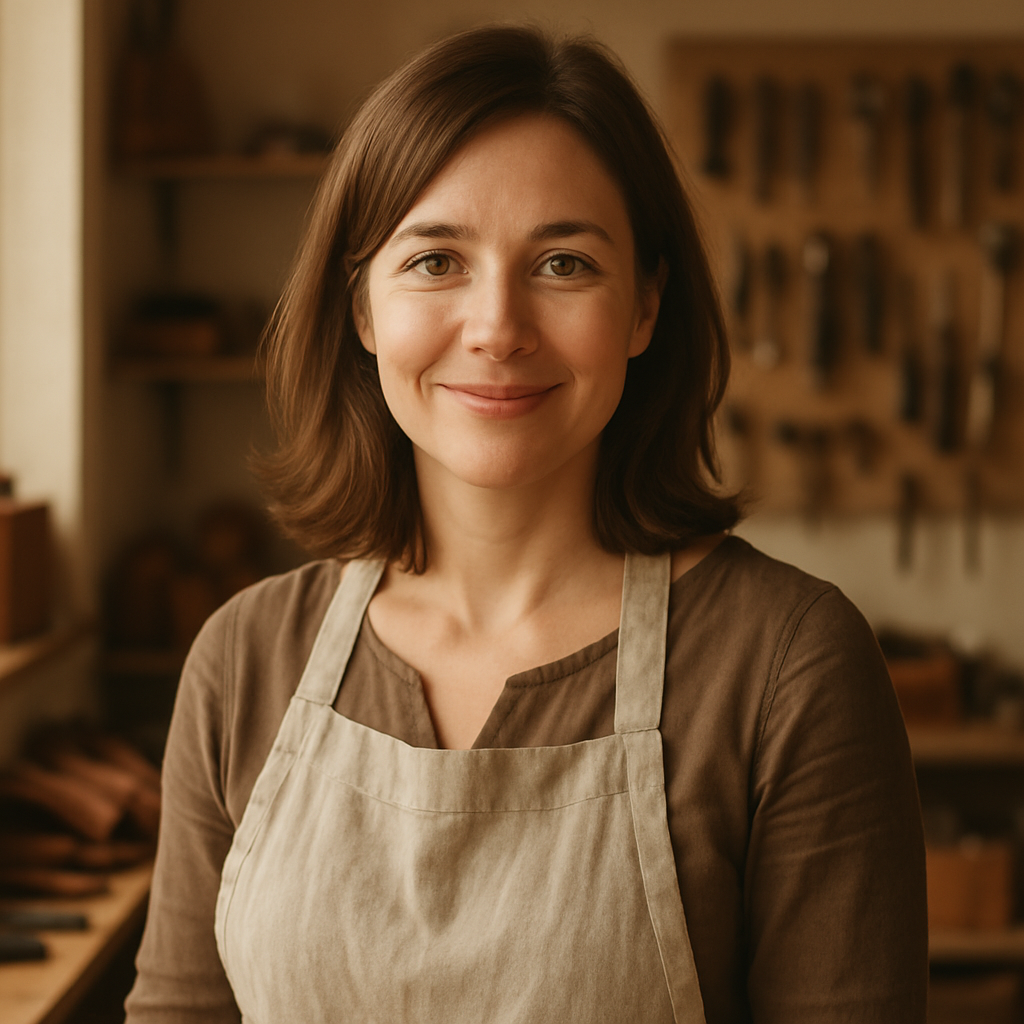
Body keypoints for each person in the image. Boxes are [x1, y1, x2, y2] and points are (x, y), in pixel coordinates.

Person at [125, 24, 927, 1024]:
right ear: (363, 308)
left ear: (643, 307)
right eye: (434, 261)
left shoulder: (785, 666)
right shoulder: (243, 661)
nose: (497, 325)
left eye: (562, 263)